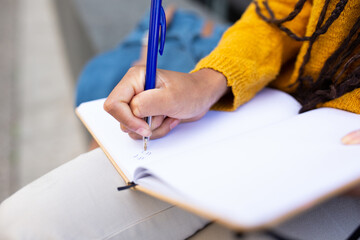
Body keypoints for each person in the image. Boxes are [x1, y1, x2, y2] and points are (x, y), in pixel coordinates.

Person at [0, 0, 359, 239]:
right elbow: (279, 14)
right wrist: (206, 81)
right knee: (26, 224)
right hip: (279, 101)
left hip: (343, 173)